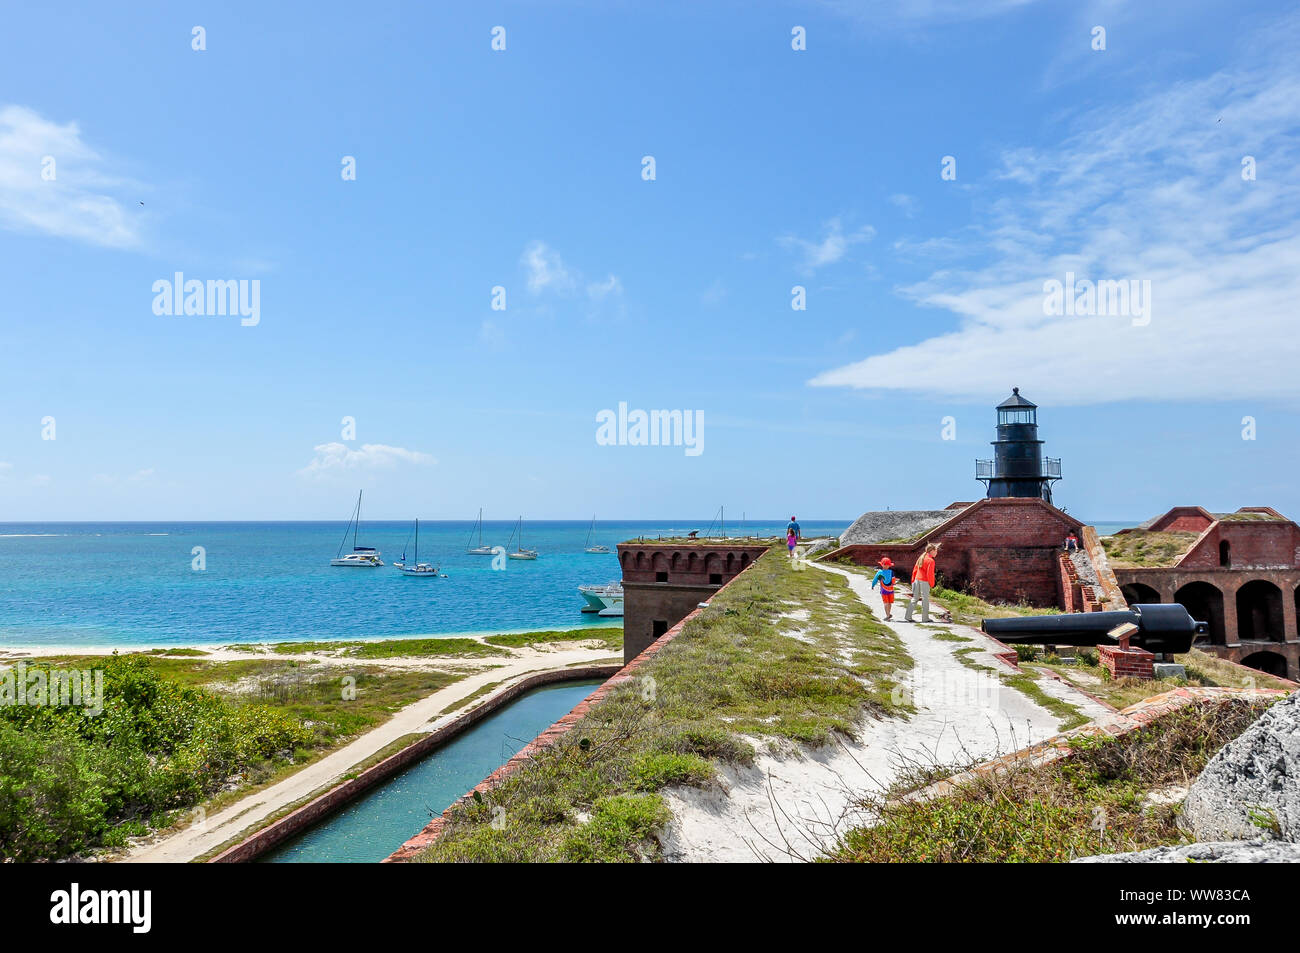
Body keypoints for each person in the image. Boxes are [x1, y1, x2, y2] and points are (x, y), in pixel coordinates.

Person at [903, 544, 938, 623]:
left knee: (915, 598)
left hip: (917, 579)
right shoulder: (931, 561)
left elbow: (915, 569)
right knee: (925, 599)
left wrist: (913, 580)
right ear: (931, 551)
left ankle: (908, 616)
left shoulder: (921, 557)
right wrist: (932, 584)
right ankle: (925, 618)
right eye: (936, 551)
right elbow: (930, 574)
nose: (937, 553)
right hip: (924, 581)